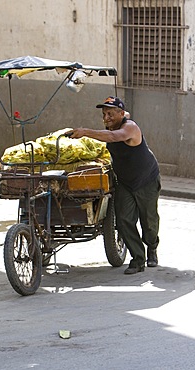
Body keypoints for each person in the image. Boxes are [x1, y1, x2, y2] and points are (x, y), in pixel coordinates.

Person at [67, 96, 161, 274]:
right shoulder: (110, 128)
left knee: (149, 221)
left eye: (110, 113)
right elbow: (107, 137)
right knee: (124, 219)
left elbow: (113, 137)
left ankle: (152, 247)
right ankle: (138, 259)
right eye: (104, 114)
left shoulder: (130, 127)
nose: (106, 118)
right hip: (125, 182)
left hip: (146, 180)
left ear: (121, 114)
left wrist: (85, 131)